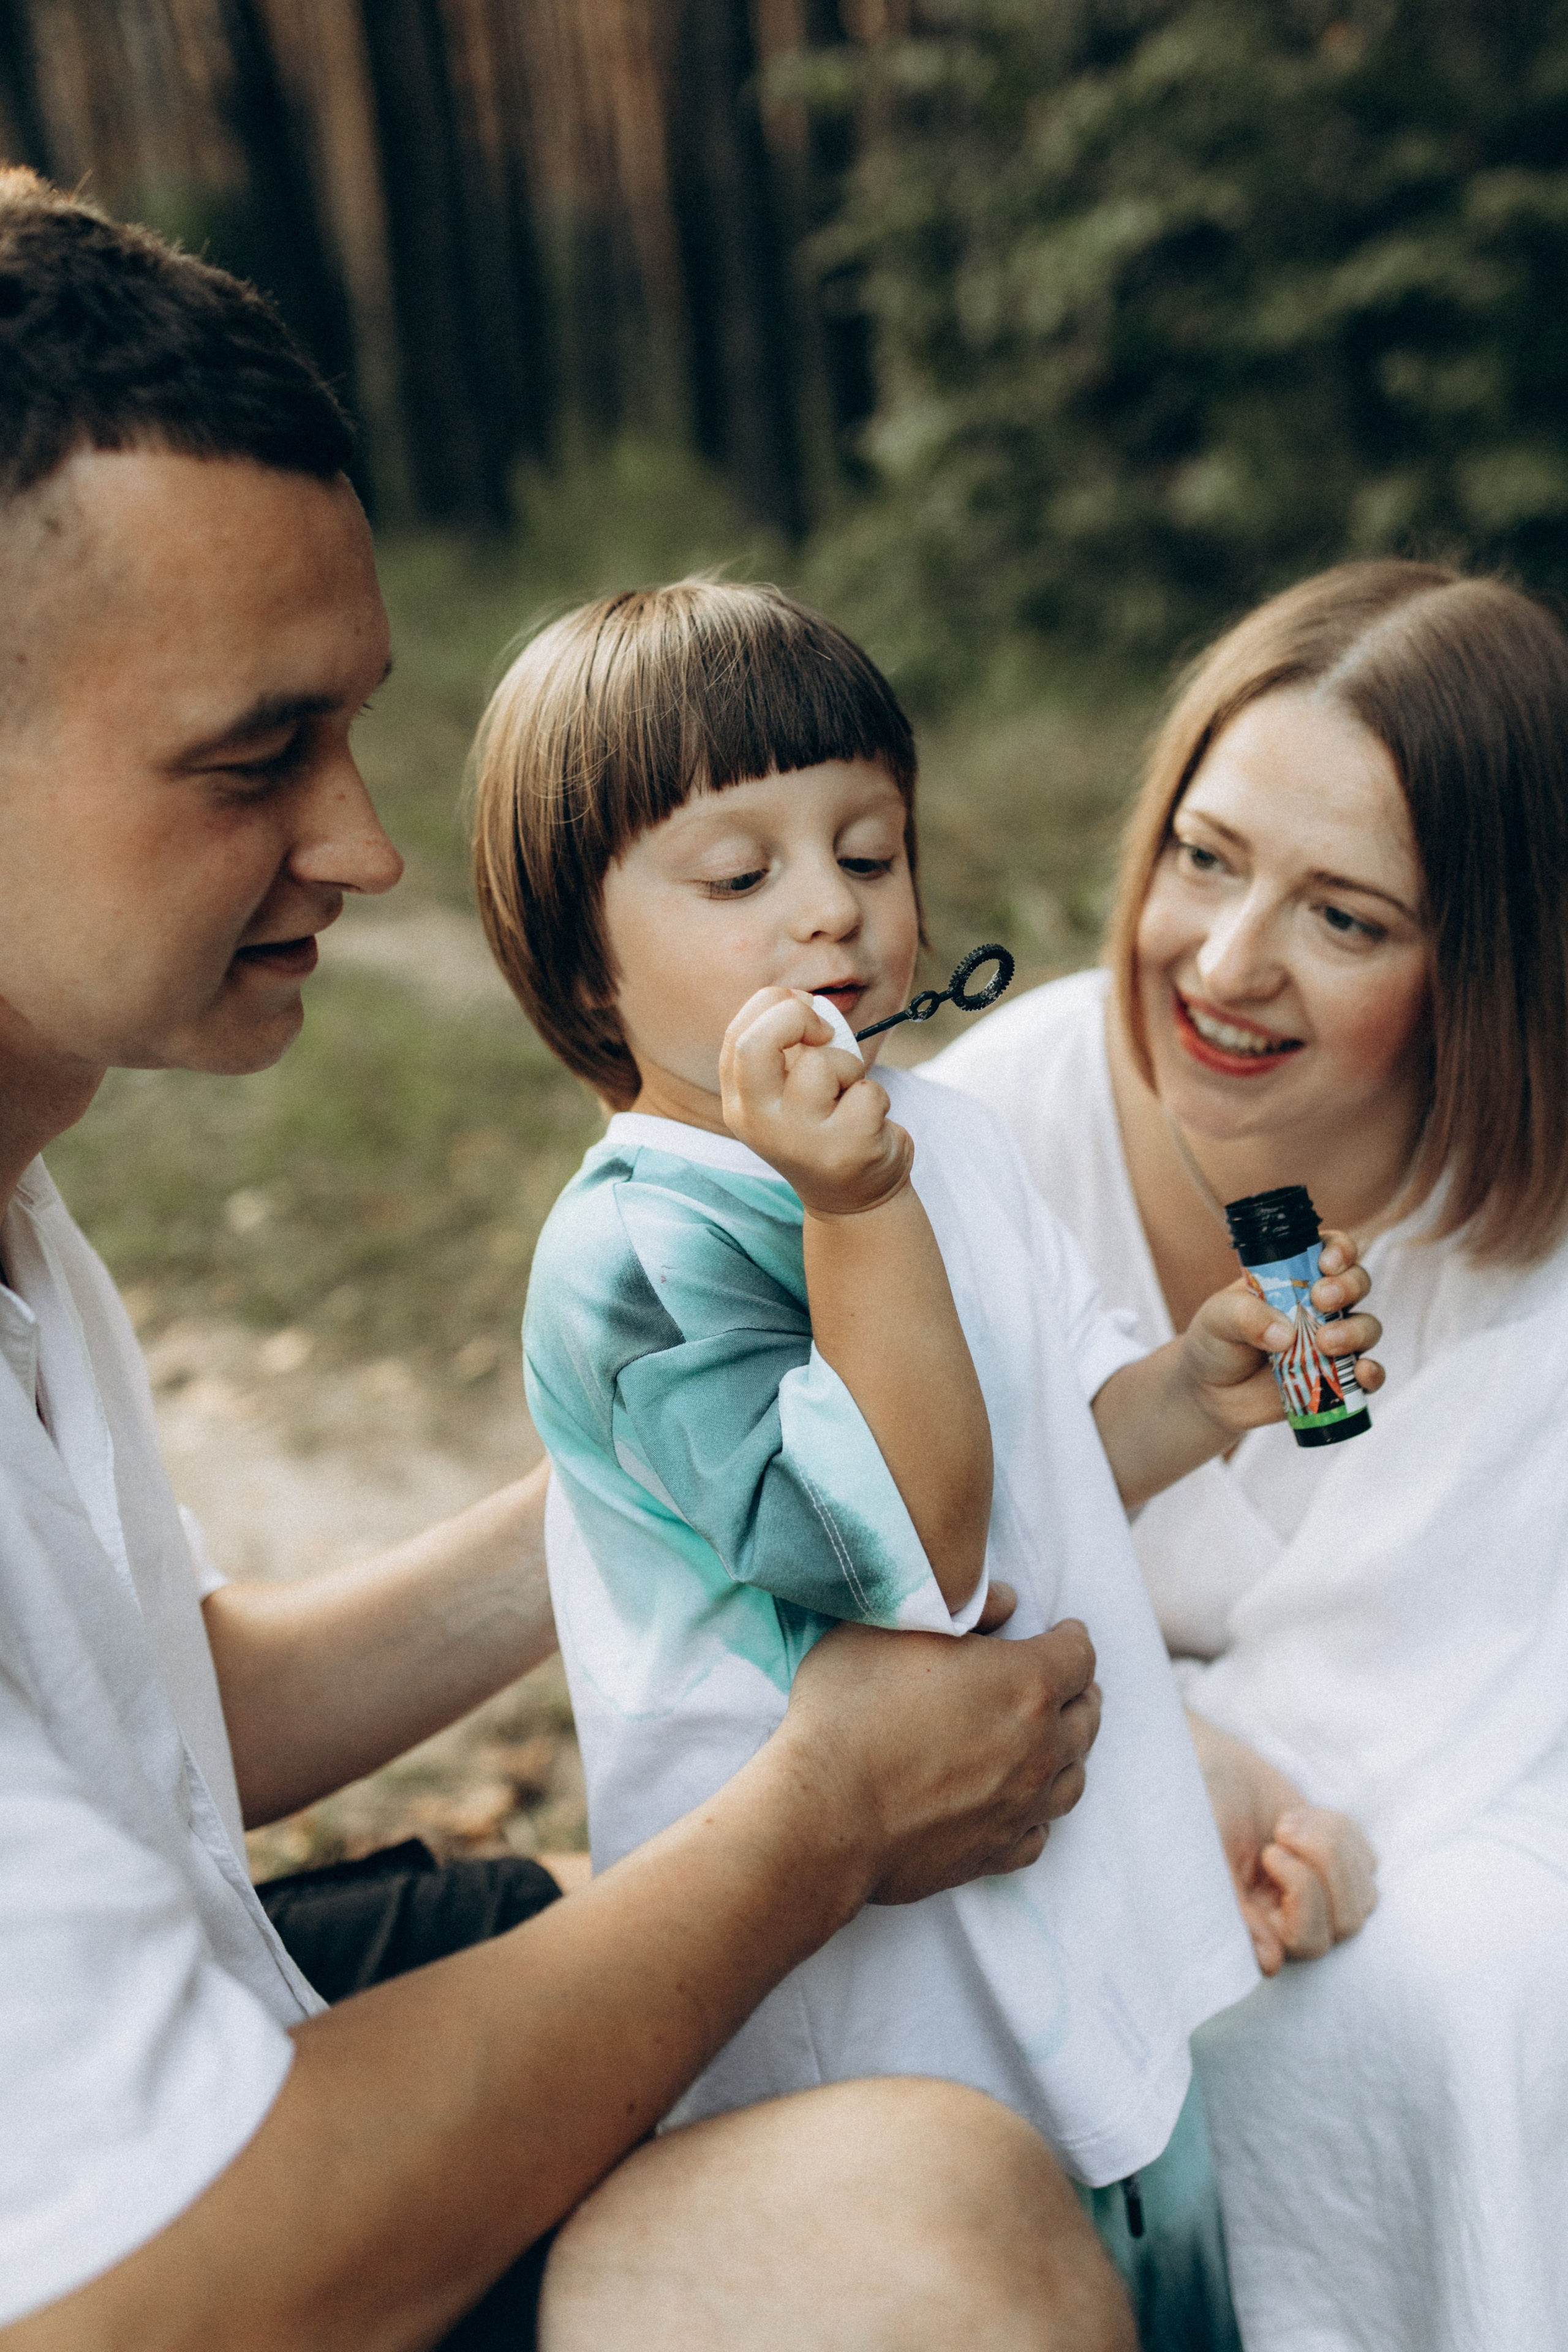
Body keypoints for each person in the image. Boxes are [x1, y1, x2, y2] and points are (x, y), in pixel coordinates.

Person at [0, 167, 1123, 2350]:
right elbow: (140, 2295)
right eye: (255, 759)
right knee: (928, 2231)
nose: (366, 844)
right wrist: (817, 1823)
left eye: (352, 725)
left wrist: (649, 1476)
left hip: (237, 2028)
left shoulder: (22, 1201)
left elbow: (139, 1719)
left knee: (542, 1927)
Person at [470, 582, 1376, 2322]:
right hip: (869, 1982)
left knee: (1151, 2256)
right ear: (582, 961)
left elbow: (1047, 1462)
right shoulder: (641, 1254)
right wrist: (855, 1205)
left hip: (1066, 1883)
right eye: (741, 879)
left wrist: (1194, 1388)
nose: (829, 909)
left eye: (868, 851)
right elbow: (919, 1552)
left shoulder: (941, 1133)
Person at [926, 558, 1568, 2351]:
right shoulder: (998, 1128)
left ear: (1485, 964)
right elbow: (863, 1578)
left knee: (1482, 1992)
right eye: (1206, 858)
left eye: (1346, 919)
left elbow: (1490, 1684)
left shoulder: (1526, 1242)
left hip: (1429, 1811)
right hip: (1042, 1781)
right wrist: (1165, 1733)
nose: (1223, 964)